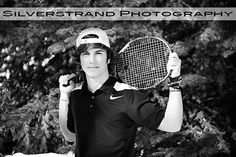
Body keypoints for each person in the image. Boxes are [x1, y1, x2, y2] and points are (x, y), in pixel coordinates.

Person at [58, 28, 183, 157]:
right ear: (80, 60)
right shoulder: (76, 95)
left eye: (98, 53)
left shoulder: (127, 95)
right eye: (85, 54)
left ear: (108, 58)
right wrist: (64, 95)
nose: (92, 60)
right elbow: (70, 136)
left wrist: (174, 82)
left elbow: (172, 125)